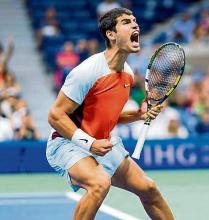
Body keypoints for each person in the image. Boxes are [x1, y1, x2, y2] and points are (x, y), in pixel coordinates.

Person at [46, 8, 174, 220]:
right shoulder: (87, 71)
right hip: (67, 143)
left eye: (135, 20)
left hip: (102, 144)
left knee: (149, 189)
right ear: (111, 34)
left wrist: (139, 115)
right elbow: (55, 116)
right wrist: (89, 143)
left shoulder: (127, 75)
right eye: (126, 22)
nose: (135, 25)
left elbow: (107, 116)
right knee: (99, 183)